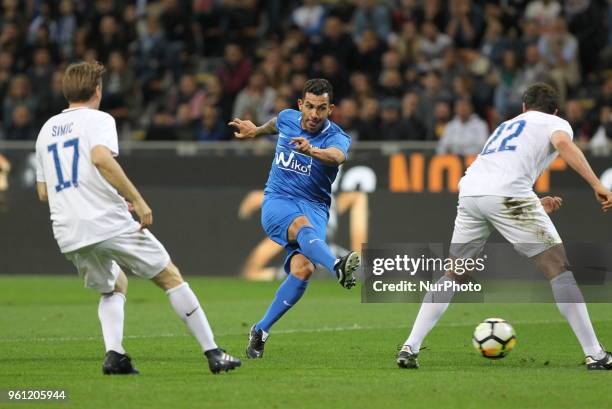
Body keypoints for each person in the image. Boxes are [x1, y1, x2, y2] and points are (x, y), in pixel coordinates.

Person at [34, 61, 241, 375]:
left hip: (68, 230)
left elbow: (44, 192)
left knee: (114, 284)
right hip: (105, 220)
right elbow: (101, 158)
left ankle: (115, 355)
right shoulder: (99, 119)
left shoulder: (46, 130)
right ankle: (214, 352)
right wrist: (136, 199)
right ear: (97, 90)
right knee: (169, 276)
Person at [396, 83, 612, 370]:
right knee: (558, 268)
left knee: (455, 272)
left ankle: (410, 346)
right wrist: (597, 184)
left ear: (524, 107)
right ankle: (596, 354)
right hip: (508, 196)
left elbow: (501, 172)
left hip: (471, 192)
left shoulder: (506, 125)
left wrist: (534, 205)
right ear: (556, 110)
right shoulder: (556, 123)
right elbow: (562, 144)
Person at [229, 78, 361, 359]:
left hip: (314, 206)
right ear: (301, 105)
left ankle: (260, 330)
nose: (314, 114)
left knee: (303, 270)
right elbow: (275, 124)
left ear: (331, 109)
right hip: (278, 200)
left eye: (322, 108)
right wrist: (256, 131)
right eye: (310, 107)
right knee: (301, 227)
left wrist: (311, 150)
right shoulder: (289, 117)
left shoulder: (337, 137)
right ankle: (337, 266)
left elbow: (336, 157)